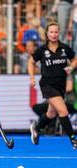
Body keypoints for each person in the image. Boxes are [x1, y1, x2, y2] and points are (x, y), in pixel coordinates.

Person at [28, 20, 77, 149]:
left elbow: (75, 59)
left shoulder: (65, 48)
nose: (54, 34)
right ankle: (73, 139)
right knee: (63, 110)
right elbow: (31, 62)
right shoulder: (42, 50)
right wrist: (32, 78)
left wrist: (71, 67)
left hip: (60, 86)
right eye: (51, 32)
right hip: (47, 85)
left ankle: (37, 127)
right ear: (47, 33)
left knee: (51, 114)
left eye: (56, 32)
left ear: (59, 33)